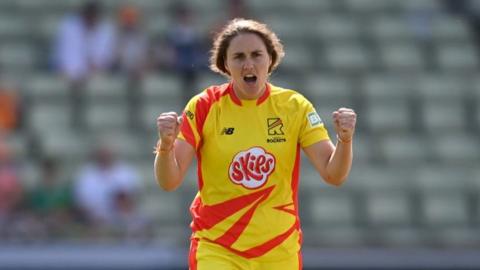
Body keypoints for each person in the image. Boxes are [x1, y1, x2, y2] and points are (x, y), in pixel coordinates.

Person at [154, 19, 356, 270]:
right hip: (217, 248)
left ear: (270, 60)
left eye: (256, 55)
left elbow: (333, 174)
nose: (248, 64)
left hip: (279, 250)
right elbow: (168, 180)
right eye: (238, 57)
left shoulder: (294, 106)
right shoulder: (204, 106)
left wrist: (344, 140)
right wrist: (165, 146)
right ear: (225, 65)